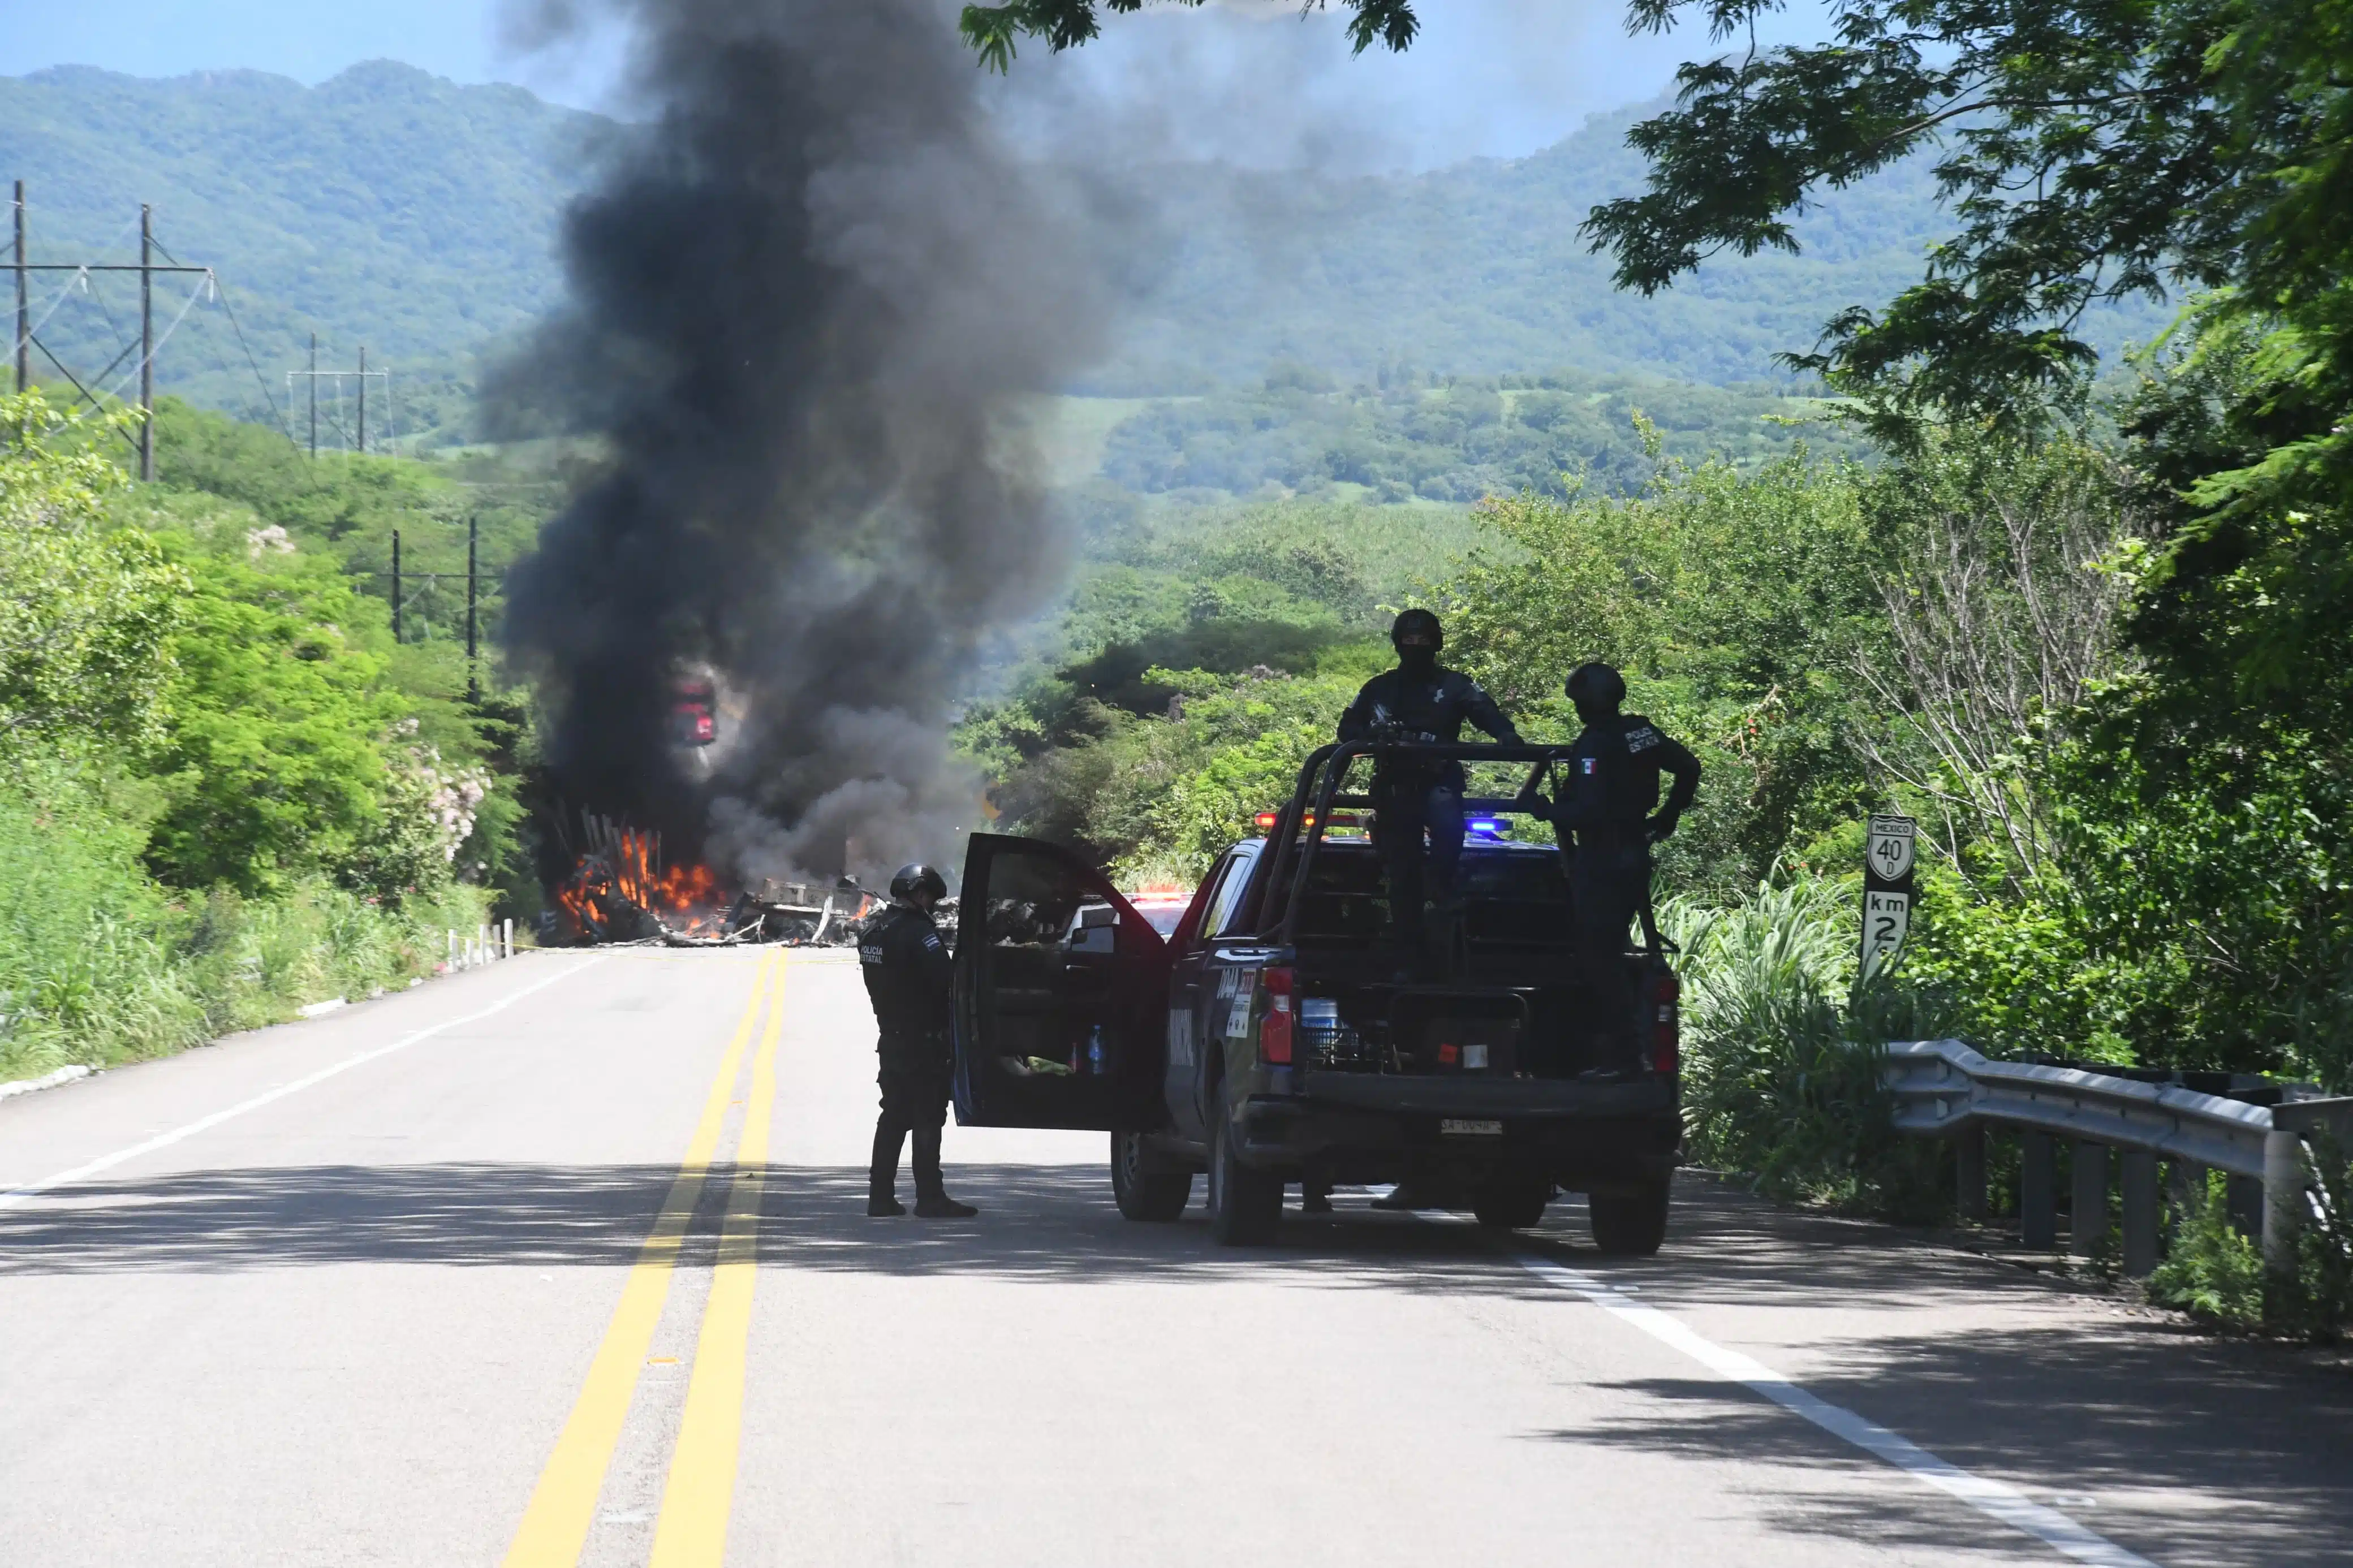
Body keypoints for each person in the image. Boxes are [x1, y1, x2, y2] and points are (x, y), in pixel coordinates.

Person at [1530, 663, 1700, 1068]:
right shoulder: (1641, 731)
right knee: (1610, 949)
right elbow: (1689, 767)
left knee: (1598, 957)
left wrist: (1548, 811)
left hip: (1602, 857)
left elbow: (1588, 811)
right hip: (1633, 850)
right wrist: (1667, 816)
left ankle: (1624, 1055)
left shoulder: (1594, 745)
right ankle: (1625, 1052)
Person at [1337, 608, 1523, 957]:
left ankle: (1441, 895)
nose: (1416, 647)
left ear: (1436, 643)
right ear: (1398, 644)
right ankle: (1408, 952)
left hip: (1440, 782)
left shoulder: (1455, 685)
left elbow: (1485, 711)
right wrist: (1374, 736)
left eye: (1423, 640)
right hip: (1395, 788)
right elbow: (1347, 729)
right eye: (1409, 640)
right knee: (1403, 876)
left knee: (1449, 836)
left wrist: (1505, 733)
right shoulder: (1380, 688)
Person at [860, 863, 977, 1219]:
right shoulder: (918, 934)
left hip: (891, 1038)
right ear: (919, 893)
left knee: (894, 1116)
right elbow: (946, 980)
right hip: (923, 1041)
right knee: (928, 1116)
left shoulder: (875, 932)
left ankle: (880, 1197)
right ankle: (930, 1196)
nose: (932, 905)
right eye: (930, 898)